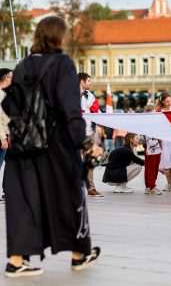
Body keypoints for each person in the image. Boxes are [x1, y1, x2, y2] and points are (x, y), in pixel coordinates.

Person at [1, 16, 101, 277]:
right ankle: (80, 254)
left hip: (23, 145)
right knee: (69, 195)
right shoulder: (63, 64)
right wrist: (85, 141)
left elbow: (11, 105)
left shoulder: (23, 65)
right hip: (55, 145)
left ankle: (16, 260)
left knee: (23, 200)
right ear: (59, 36)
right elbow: (70, 109)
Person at [79, 72, 103, 198]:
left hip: (89, 133)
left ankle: (91, 188)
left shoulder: (90, 96)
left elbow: (97, 111)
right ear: (82, 82)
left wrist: (108, 117)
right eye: (88, 81)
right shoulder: (69, 95)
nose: (90, 83)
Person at [143, 104, 162, 195]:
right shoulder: (147, 125)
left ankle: (148, 186)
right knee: (151, 169)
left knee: (153, 168)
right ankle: (152, 186)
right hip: (151, 150)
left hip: (156, 149)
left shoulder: (155, 123)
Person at [0, 68, 12, 204]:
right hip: (2, 135)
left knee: (10, 166)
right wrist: (2, 137)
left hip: (9, 134)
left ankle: (6, 191)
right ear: (6, 78)